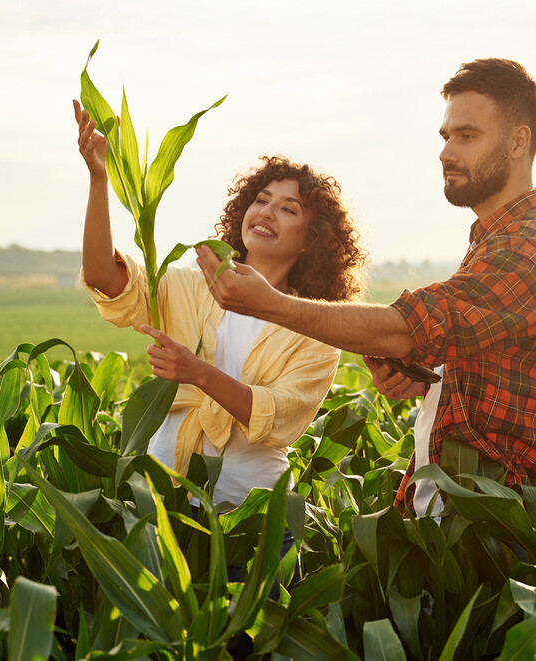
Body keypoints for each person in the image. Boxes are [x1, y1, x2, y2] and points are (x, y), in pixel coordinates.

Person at [195, 58, 536, 515]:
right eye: (446, 136)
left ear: (519, 141)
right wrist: (427, 381)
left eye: (467, 136)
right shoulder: (491, 238)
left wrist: (270, 304)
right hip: (461, 516)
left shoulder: (526, 244)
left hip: (498, 524)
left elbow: (413, 327)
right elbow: (491, 359)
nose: (446, 152)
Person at [72, 99, 367, 514]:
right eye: (261, 199)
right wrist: (99, 178)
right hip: (163, 502)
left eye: (288, 208)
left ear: (310, 240)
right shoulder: (191, 286)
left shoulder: (316, 330)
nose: (267, 212)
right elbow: (105, 279)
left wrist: (197, 373)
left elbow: (278, 419)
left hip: (251, 516)